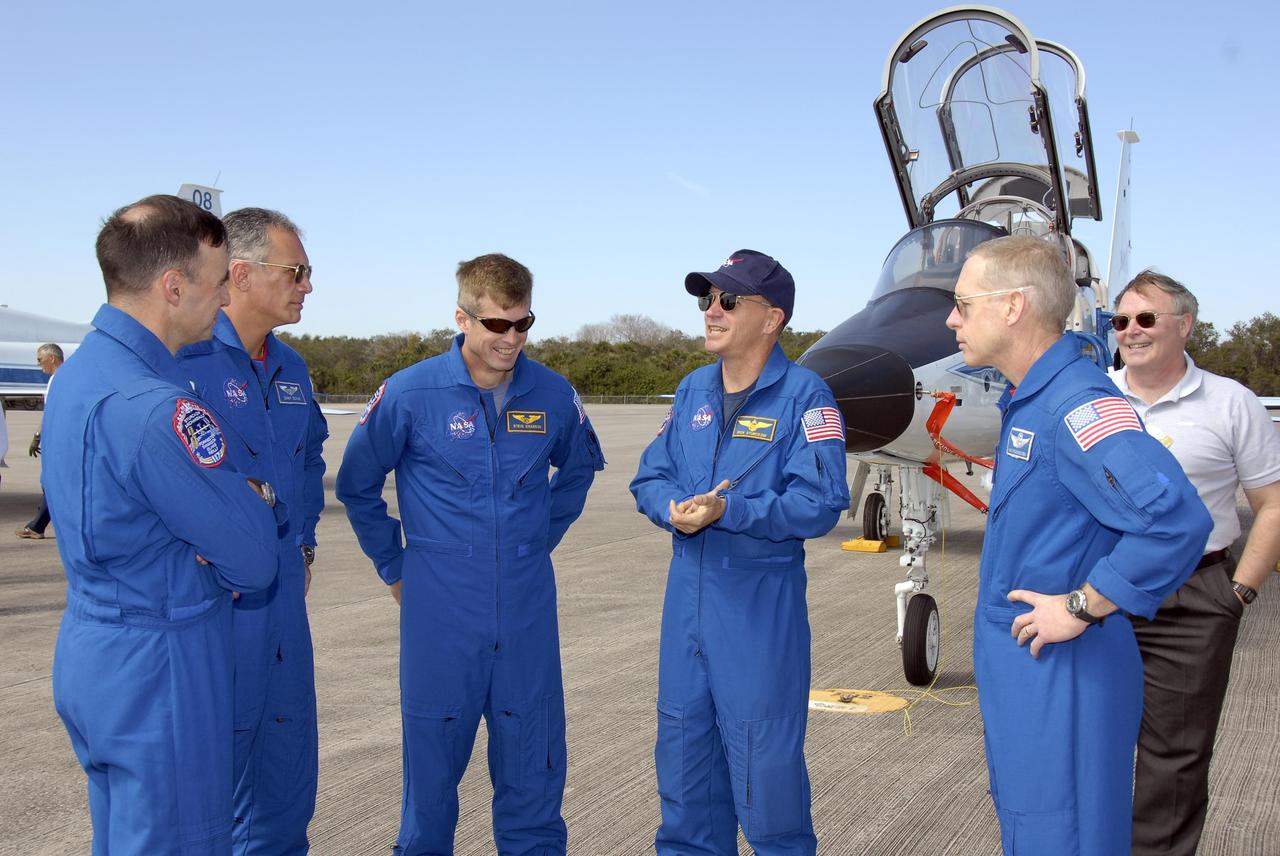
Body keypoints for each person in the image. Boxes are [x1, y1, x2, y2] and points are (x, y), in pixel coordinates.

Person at [943, 235, 1212, 855]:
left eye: (963, 303)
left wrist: (1081, 606)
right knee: (1034, 825)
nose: (952, 320)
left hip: (1064, 668)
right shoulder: (1032, 402)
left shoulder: (1075, 407)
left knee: (1062, 834)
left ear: (1012, 306)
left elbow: (1175, 522)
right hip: (1031, 668)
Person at [336, 253, 604, 856]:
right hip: (440, 608)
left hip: (526, 609)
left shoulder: (553, 394)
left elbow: (579, 470)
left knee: (534, 769)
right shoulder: (410, 393)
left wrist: (534, 541)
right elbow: (357, 486)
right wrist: (395, 566)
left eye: (523, 323)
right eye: (496, 324)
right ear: (462, 319)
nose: (511, 338)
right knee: (430, 783)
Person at [42, 194, 281, 854]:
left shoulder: (78, 376)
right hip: (161, 664)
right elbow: (254, 558)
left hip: (94, 647)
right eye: (217, 282)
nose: (224, 300)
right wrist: (253, 495)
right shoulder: (154, 406)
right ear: (174, 288)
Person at [630, 250, 850, 856]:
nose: (712, 311)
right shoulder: (691, 391)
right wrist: (670, 507)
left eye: (728, 300)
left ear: (772, 318)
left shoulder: (806, 398)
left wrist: (732, 510)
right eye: (707, 300)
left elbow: (821, 502)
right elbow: (649, 477)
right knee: (684, 772)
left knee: (766, 779)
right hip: (687, 605)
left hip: (759, 609)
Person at [1106, 270, 1280, 856]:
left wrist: (1240, 592)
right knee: (1086, 743)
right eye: (1121, 320)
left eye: (1146, 318)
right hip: (1099, 594)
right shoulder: (1094, 399)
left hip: (1194, 596)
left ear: (1185, 325)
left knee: (1174, 760)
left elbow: (1272, 505)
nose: (1131, 331)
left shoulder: (1232, 403)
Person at [178, 207, 328, 855]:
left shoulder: (290, 367)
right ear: (240, 274)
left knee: (286, 783)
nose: (307, 285)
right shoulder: (183, 362)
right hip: (214, 606)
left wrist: (305, 541)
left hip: (283, 602)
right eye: (296, 271)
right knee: (205, 795)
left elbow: (310, 457)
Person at [15, 342, 63, 540]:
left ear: (51, 358)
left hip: (59, 440)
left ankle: (37, 526)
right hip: (57, 438)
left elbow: (51, 412)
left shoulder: (59, 379)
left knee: (51, 483)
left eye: (40, 359)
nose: (38, 364)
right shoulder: (59, 378)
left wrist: (37, 436)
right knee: (52, 483)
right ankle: (38, 526)